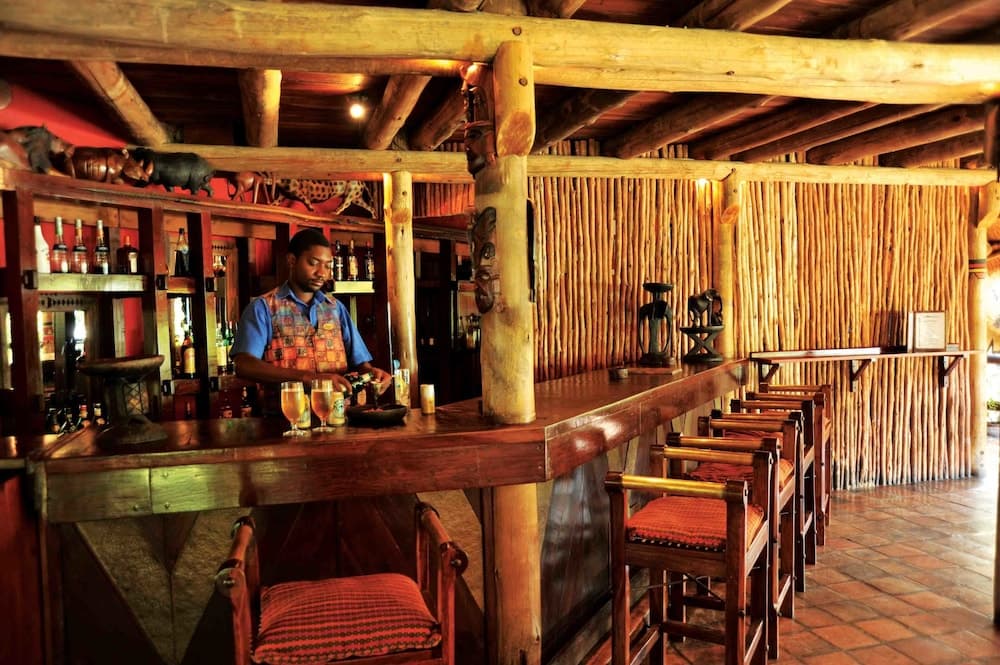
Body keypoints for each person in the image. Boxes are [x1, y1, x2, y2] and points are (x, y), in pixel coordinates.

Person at [231, 228, 391, 399]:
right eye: (313, 263)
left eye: (328, 265)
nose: (322, 273)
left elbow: (361, 364)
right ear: (292, 260)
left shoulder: (335, 308)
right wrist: (307, 378)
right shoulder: (263, 308)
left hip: (337, 412)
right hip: (283, 413)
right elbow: (244, 365)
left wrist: (372, 373)